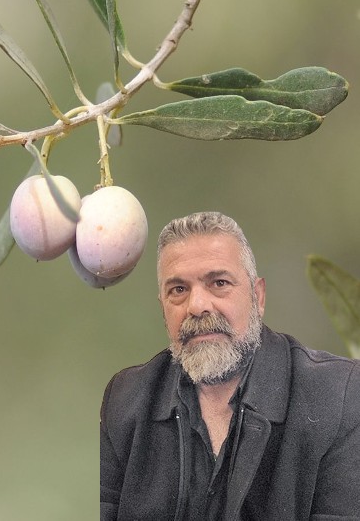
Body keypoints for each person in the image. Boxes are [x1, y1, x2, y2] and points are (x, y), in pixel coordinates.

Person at [100, 211, 360, 520]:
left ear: (257, 297)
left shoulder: (340, 395)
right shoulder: (124, 400)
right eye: (178, 290)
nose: (197, 306)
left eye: (219, 283)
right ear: (162, 307)